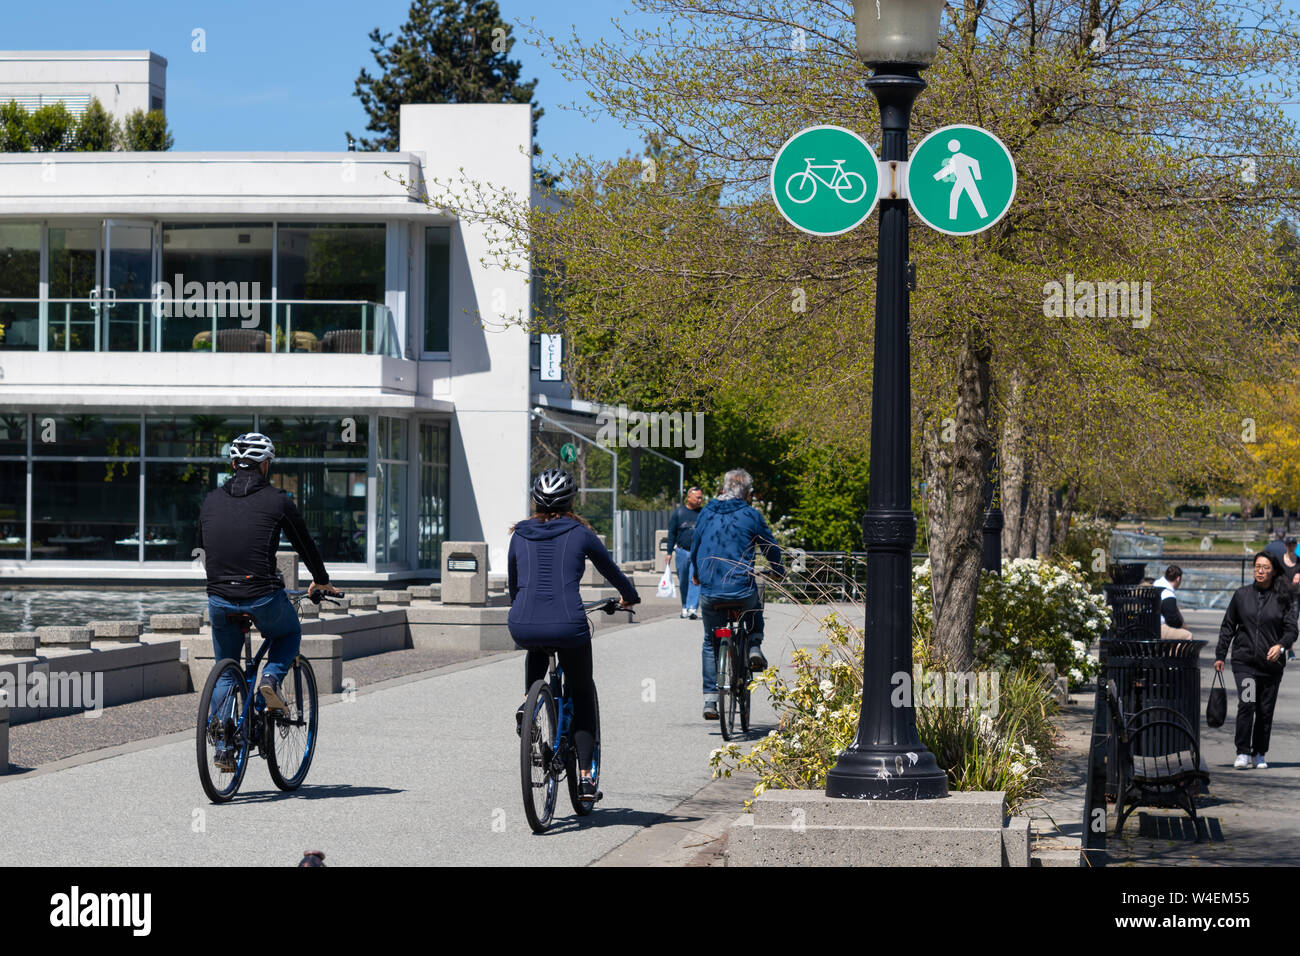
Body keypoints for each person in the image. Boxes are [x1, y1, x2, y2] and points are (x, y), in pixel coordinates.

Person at [197, 432, 340, 772]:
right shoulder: (279, 501)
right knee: (288, 635)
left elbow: (203, 547)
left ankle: (223, 745)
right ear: (265, 465)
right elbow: (305, 546)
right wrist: (320, 581)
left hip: (218, 596)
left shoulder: (210, 500)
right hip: (261, 594)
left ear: (233, 464)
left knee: (227, 672)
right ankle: (270, 681)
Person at [508, 468, 640, 803]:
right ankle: (584, 780)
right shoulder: (580, 533)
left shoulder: (519, 535)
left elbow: (513, 585)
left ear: (535, 501)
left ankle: (530, 702)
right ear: (571, 500)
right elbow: (610, 570)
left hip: (523, 622)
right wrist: (629, 596)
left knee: (536, 645)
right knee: (581, 693)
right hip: (568, 624)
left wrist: (522, 609)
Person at [689, 468, 785, 721]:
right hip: (741, 589)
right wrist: (778, 570)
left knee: (711, 642)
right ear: (747, 493)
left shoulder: (706, 513)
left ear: (724, 489)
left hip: (710, 590)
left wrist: (697, 573)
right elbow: (770, 547)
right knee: (753, 603)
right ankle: (754, 644)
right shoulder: (750, 515)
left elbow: (695, 546)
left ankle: (710, 699)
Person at [1215, 551, 1297, 770]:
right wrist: (1220, 655)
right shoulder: (1241, 595)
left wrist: (1280, 647)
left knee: (1265, 709)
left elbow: (1291, 630)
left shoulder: (1283, 598)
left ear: (1274, 571)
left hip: (1271, 666)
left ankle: (1259, 752)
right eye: (1257, 566)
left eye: (1265, 567)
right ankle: (1242, 752)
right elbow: (1228, 625)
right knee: (1248, 703)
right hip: (1245, 664)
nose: (1260, 571)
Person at [666, 486, 705, 619]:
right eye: (697, 497)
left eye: (701, 497)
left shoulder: (703, 513)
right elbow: (672, 533)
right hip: (682, 552)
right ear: (689, 498)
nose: (700, 500)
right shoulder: (679, 513)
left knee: (695, 580)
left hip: (698, 553)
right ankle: (685, 606)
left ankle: (692, 608)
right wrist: (669, 552)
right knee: (683, 581)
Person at [1152, 565, 1192, 640]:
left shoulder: (1156, 584)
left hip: (1149, 625)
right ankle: (1174, 652)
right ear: (1178, 579)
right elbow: (1172, 619)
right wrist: (1183, 627)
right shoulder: (1168, 594)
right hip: (1158, 628)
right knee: (1187, 636)